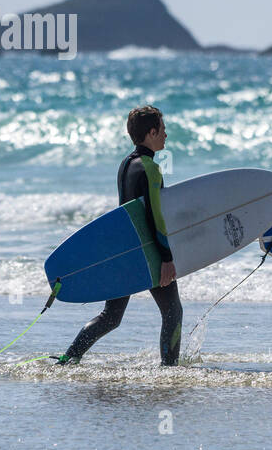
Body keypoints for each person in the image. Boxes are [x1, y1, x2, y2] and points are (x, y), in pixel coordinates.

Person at [58, 105, 183, 365]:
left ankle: (68, 358)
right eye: (162, 129)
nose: (166, 135)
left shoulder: (126, 164)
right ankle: (169, 369)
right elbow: (154, 217)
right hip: (146, 252)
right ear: (151, 133)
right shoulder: (150, 168)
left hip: (123, 251)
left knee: (111, 317)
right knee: (172, 311)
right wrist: (166, 258)